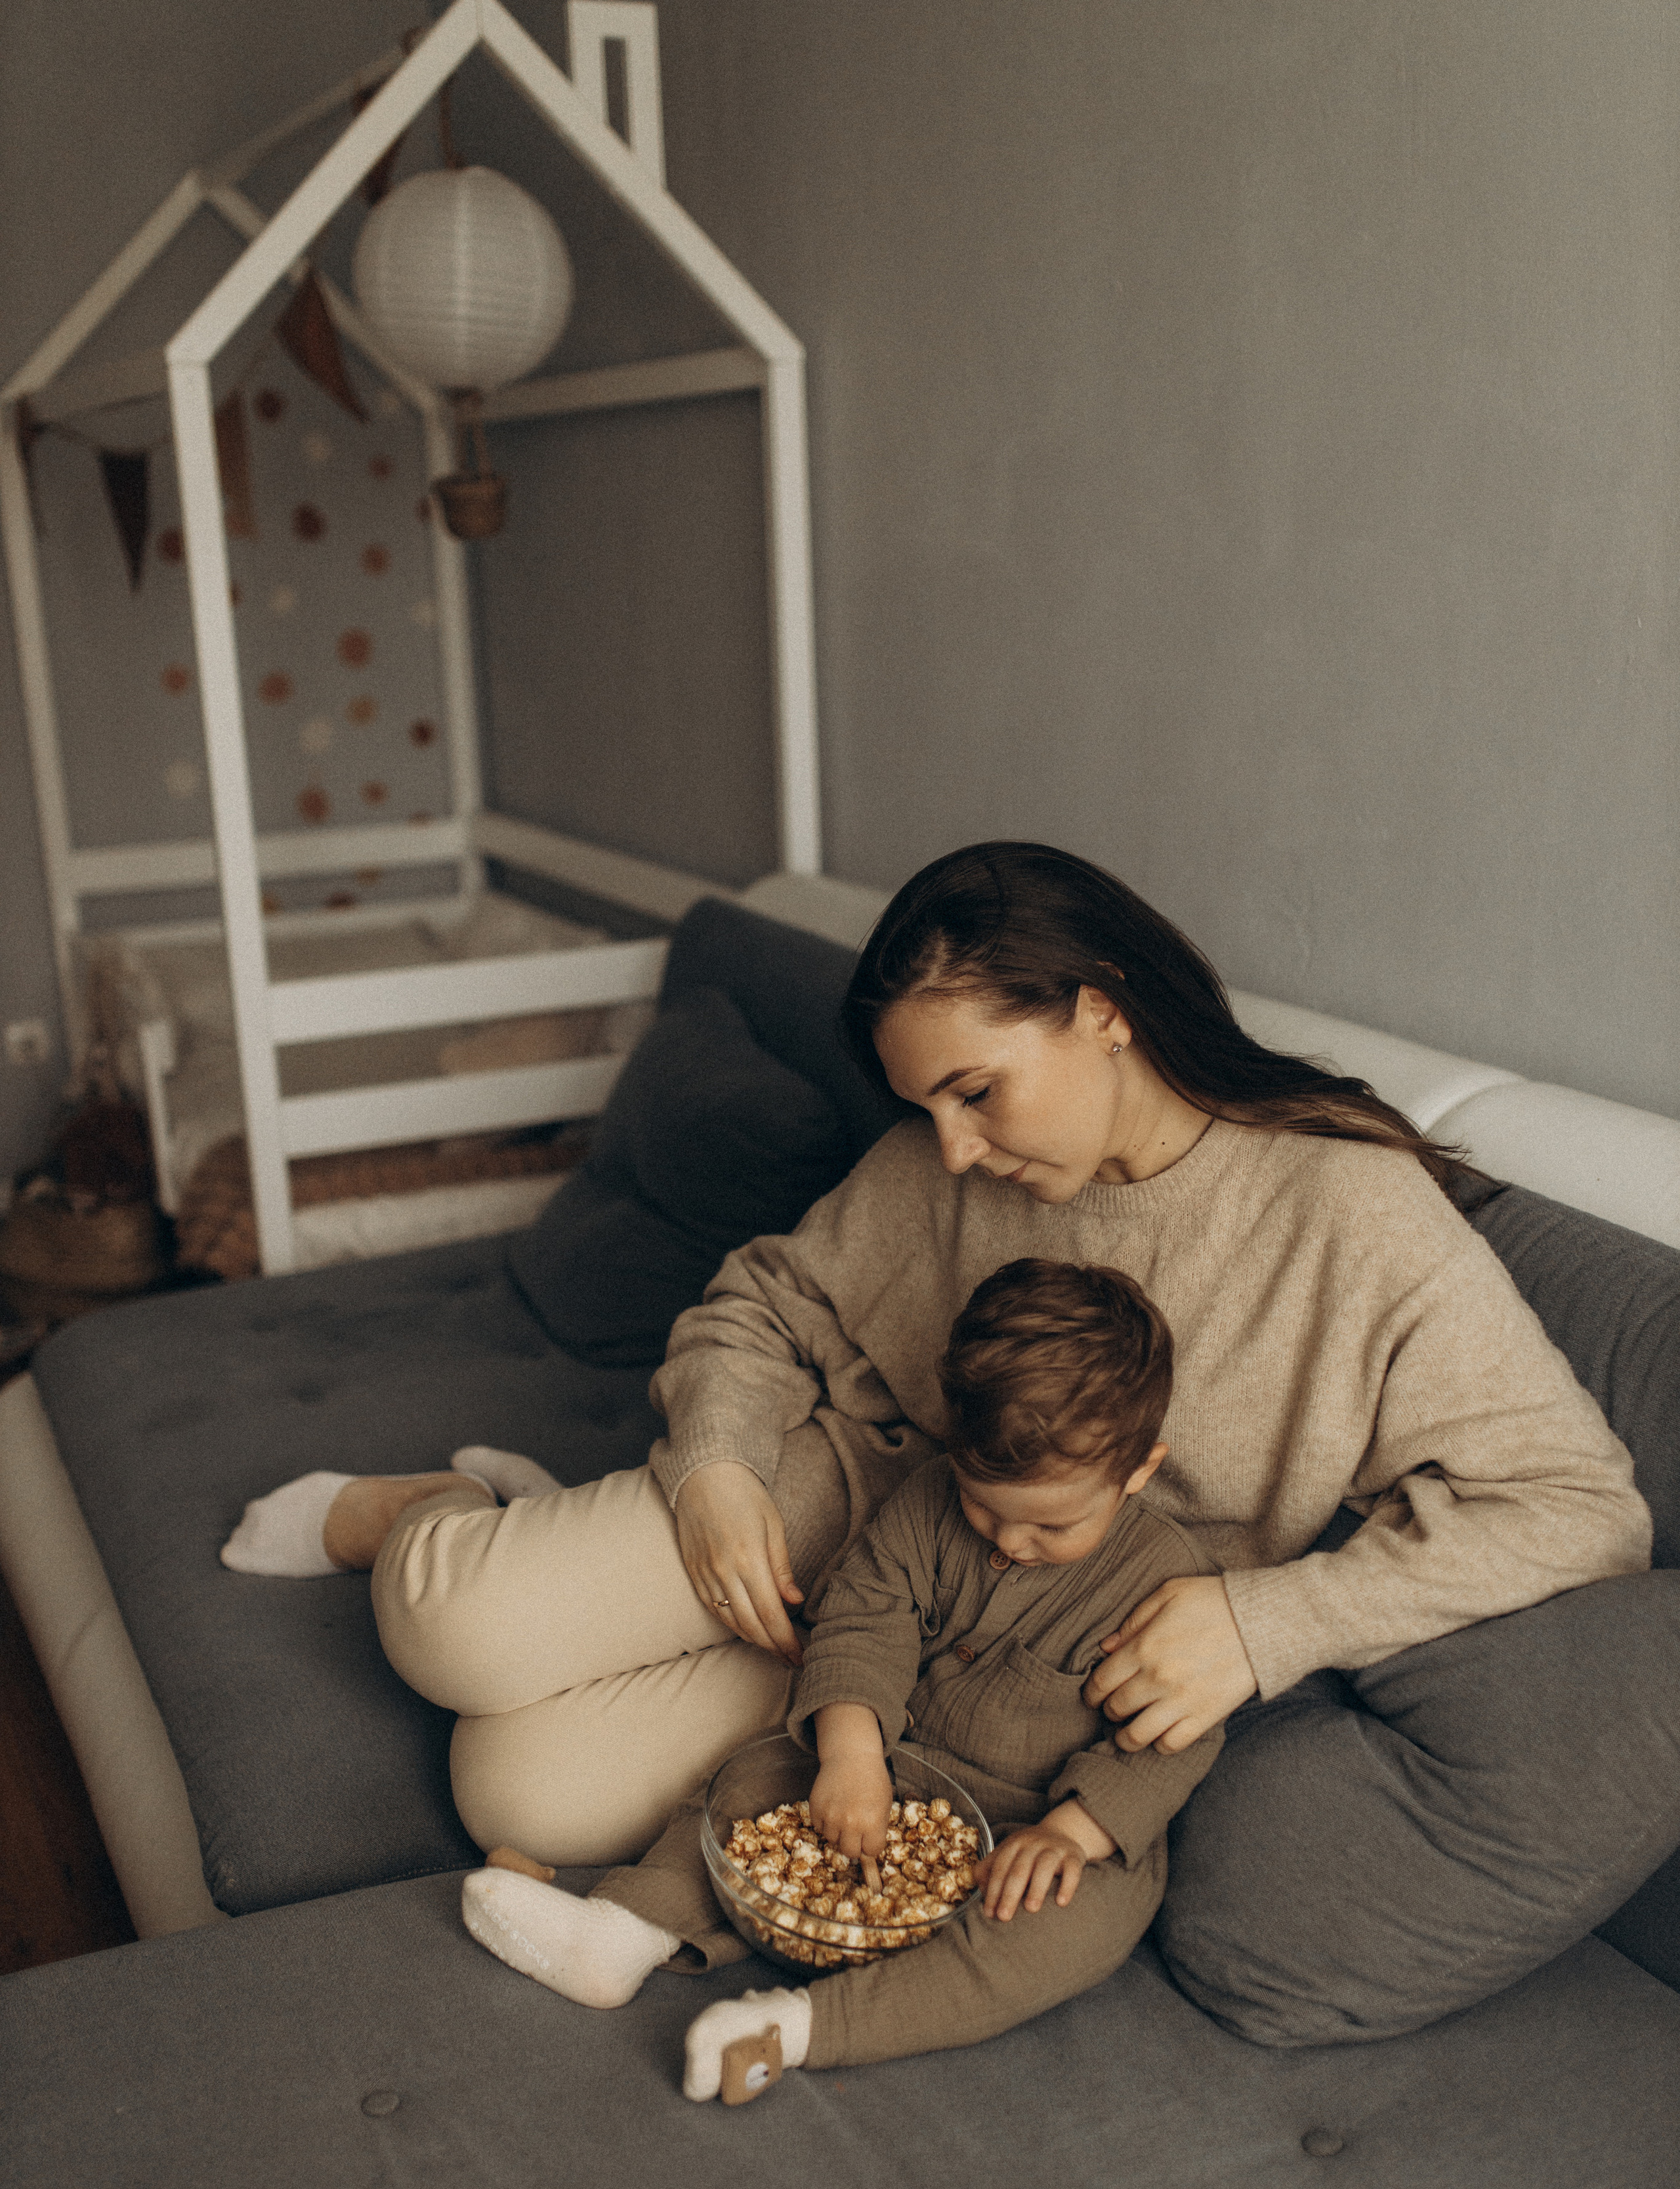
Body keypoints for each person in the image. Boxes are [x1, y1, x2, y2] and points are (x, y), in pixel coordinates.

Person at [222, 842, 1654, 2045]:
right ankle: (421, 1509)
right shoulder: (947, 1167)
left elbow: (1583, 1507)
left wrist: (1265, 1624)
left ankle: (529, 1527)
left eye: (975, 1092)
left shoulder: (1351, 1213)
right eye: (928, 1109)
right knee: (454, 1633)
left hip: (966, 1678)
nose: (953, 1150)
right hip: (837, 1506)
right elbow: (758, 1303)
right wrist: (716, 1465)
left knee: (512, 1792)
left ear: (1100, 1013)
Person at [459, 1258, 1226, 2103]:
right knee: (749, 1781)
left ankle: (793, 2029)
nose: (1010, 1542)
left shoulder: (1167, 1581)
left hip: (1043, 1823)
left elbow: (1167, 1740)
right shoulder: (928, 1500)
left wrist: (1073, 1835)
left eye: (1051, 1524)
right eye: (983, 1507)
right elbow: (867, 1618)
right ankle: (621, 1931)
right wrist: (853, 1755)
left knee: (1066, 1927)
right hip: (896, 1759)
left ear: (1140, 1469)